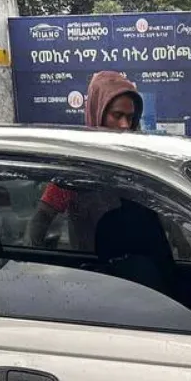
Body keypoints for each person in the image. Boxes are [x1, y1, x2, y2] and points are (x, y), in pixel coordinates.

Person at [25, 70, 142, 252]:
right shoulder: (77, 166)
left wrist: (179, 240)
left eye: (129, 117)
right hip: (93, 266)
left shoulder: (136, 163)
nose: (125, 125)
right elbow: (41, 219)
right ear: (98, 112)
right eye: (117, 115)